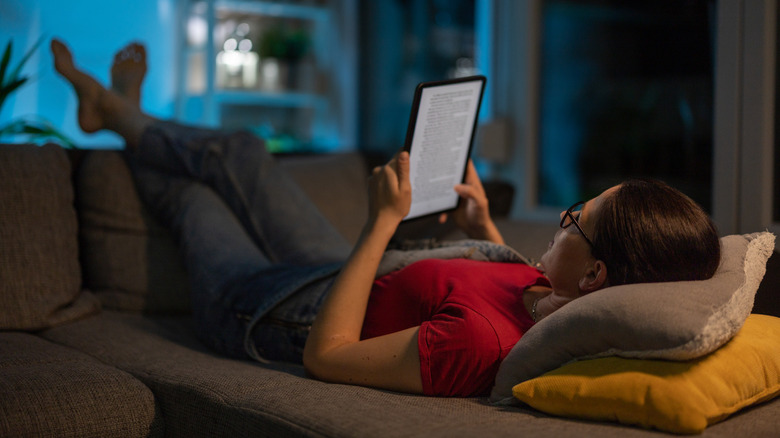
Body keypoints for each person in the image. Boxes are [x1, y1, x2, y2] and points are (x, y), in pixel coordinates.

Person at [51, 39, 721, 397]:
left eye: (575, 220)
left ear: (598, 275)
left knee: (193, 196)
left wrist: (380, 222)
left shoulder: (478, 348)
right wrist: (482, 226)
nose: (562, 220)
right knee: (243, 152)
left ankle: (116, 116)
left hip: (272, 311)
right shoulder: (559, 298)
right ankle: (123, 117)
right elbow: (508, 286)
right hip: (337, 272)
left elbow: (329, 356)